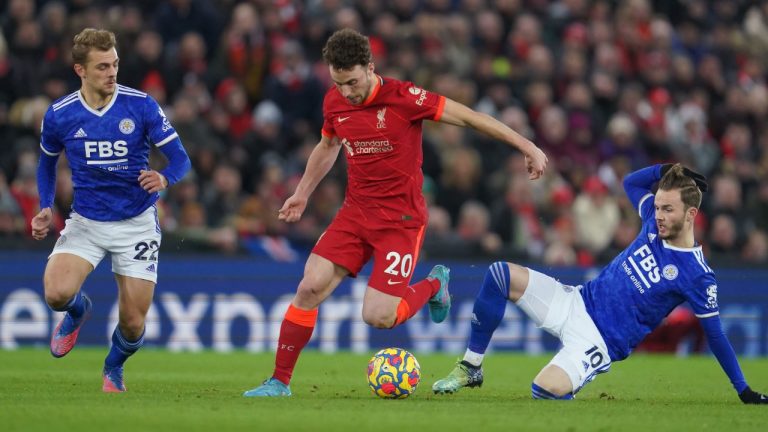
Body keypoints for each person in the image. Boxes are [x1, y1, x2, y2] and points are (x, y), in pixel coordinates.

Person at [244, 28, 548, 397]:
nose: (347, 92)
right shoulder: (334, 102)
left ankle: (435, 284)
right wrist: (302, 193)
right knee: (309, 287)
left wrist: (527, 145)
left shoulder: (406, 98)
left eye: (353, 82)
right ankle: (279, 382)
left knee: (378, 316)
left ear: (370, 68)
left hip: (400, 223)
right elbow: (328, 145)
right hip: (355, 214)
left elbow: (469, 117)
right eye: (338, 83)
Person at [432, 163, 768, 404]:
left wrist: (743, 390)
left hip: (598, 340)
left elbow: (715, 335)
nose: (659, 214)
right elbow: (631, 184)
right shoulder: (652, 222)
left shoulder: (697, 274)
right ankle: (471, 367)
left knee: (544, 390)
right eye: (658, 206)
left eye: (668, 209)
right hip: (575, 301)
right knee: (499, 275)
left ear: (691, 215)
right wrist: (666, 169)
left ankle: (574, 381)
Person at [31, 28, 191, 393]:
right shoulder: (60, 115)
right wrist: (45, 206)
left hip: (136, 223)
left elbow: (181, 159)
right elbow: (46, 165)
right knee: (56, 294)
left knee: (133, 323)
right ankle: (78, 310)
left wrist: (164, 177)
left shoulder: (141, 105)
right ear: (80, 70)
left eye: (115, 64)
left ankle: (114, 365)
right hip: (86, 221)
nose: (112, 72)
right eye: (102, 66)